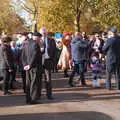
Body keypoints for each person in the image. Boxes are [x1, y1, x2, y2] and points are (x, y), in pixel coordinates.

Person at [22, 32, 42, 104]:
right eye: (40, 38)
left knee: (28, 83)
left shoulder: (26, 43)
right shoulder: (35, 44)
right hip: (34, 67)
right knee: (34, 83)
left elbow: (23, 55)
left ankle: (28, 99)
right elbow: (34, 55)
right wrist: (30, 65)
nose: (40, 40)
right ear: (37, 37)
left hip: (27, 67)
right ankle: (33, 99)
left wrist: (25, 65)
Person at [40, 27, 56, 100]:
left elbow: (54, 51)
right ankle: (38, 94)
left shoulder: (51, 40)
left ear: (46, 33)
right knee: (38, 79)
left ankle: (49, 95)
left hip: (48, 61)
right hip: (39, 62)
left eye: (45, 32)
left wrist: (52, 60)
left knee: (48, 79)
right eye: (42, 33)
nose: (43, 34)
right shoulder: (37, 41)